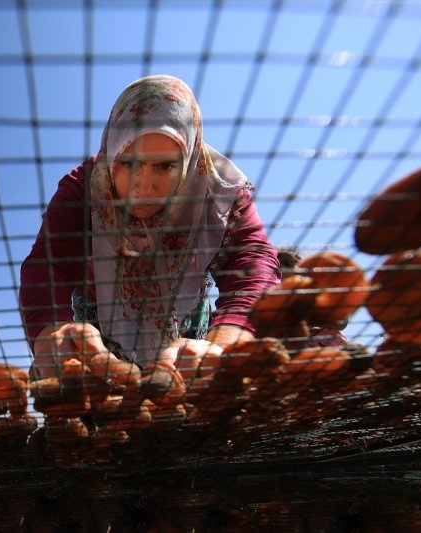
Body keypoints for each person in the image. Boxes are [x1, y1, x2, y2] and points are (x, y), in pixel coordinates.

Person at [19, 75, 281, 379]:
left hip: (184, 316)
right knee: (99, 403)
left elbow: (253, 263)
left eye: (165, 166)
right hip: (98, 322)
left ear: (187, 159)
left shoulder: (220, 190)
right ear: (113, 150)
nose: (143, 187)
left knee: (189, 394)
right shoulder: (84, 187)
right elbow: (49, 265)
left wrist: (226, 341)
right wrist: (54, 333)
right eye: (129, 163)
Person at [276, 246, 349, 348]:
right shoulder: (273, 302)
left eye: (298, 266)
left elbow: (342, 323)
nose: (296, 269)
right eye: (287, 265)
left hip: (331, 348)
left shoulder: (317, 294)